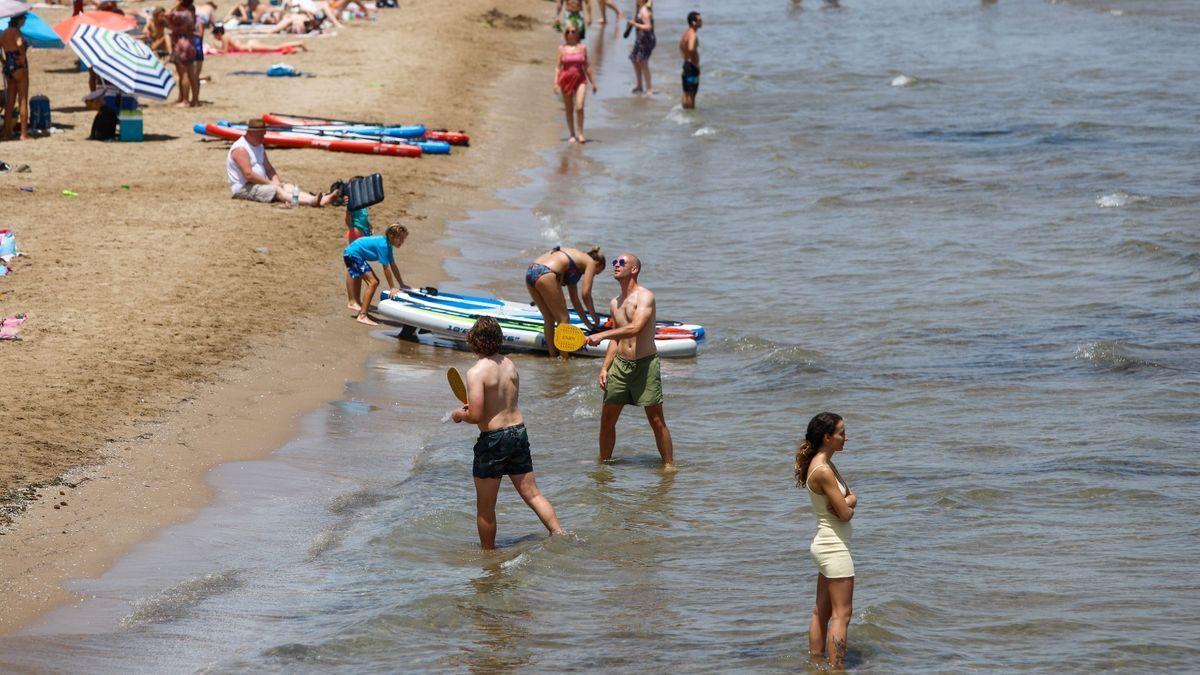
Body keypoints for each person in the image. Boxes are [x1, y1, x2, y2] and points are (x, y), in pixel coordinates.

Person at [451, 317, 565, 550]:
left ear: (474, 342)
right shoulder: (510, 364)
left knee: (486, 507)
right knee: (533, 494)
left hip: (494, 440)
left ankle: (489, 558)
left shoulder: (476, 372)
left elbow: (476, 415)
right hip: (518, 432)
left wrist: (460, 415)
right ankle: (560, 533)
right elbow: (503, 402)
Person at [585, 254, 674, 471]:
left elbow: (635, 328)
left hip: (645, 365)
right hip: (620, 366)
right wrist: (605, 367)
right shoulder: (615, 303)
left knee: (656, 420)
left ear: (634, 269)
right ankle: (604, 465)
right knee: (607, 420)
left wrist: (601, 335)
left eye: (621, 263)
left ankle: (669, 466)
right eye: (614, 262)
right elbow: (618, 338)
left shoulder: (646, 297)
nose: (615, 265)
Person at [794, 412, 856, 670]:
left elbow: (851, 497)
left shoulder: (825, 463)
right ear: (827, 437)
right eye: (841, 433)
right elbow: (844, 513)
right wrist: (849, 505)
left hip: (826, 545)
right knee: (842, 615)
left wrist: (849, 502)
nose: (846, 437)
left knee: (822, 611)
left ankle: (816, 663)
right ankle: (836, 668)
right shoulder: (823, 470)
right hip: (834, 548)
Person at [226, 118, 340, 206]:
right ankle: (311, 202)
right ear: (251, 133)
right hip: (243, 188)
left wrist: (276, 181)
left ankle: (320, 199)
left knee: (288, 187)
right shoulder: (240, 149)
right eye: (261, 134)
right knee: (276, 189)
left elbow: (269, 169)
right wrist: (272, 184)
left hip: (259, 184)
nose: (264, 136)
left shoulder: (258, 145)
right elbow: (248, 175)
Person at [525, 245, 605, 358]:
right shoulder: (591, 262)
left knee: (549, 318)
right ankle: (564, 358)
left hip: (532, 270)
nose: (594, 275)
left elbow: (575, 299)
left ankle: (552, 355)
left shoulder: (575, 264)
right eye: (597, 273)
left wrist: (588, 323)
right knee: (563, 319)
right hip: (546, 272)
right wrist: (594, 316)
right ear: (598, 264)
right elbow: (586, 294)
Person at [342, 224, 409, 325]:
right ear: (391, 236)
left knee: (372, 281)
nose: (402, 242)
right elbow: (386, 268)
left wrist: (401, 284)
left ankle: (360, 308)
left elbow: (393, 266)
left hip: (352, 253)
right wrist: (392, 287)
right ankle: (362, 315)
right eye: (400, 239)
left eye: (403, 239)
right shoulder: (383, 245)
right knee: (373, 282)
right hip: (352, 254)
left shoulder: (388, 245)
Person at [554, 22, 597, 144]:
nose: (571, 34)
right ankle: (572, 134)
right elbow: (557, 67)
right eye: (568, 32)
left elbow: (587, 66)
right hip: (566, 79)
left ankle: (581, 133)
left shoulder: (582, 48)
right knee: (569, 109)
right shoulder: (561, 49)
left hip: (580, 79)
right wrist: (556, 82)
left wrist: (593, 82)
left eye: (573, 31)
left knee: (579, 106)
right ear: (565, 34)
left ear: (577, 33)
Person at [0, 14, 30, 141]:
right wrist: (22, 55)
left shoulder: (5, 33)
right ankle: (24, 134)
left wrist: (3, 61)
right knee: (22, 99)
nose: (25, 21)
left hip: (8, 66)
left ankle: (7, 134)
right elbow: (19, 42)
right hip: (19, 65)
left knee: (9, 102)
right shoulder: (16, 32)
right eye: (24, 19)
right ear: (19, 20)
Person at [168, 0, 200, 107]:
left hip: (180, 44)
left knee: (184, 74)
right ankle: (194, 100)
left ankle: (185, 100)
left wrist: (176, 4)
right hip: (190, 43)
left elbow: (167, 15)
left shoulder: (179, 14)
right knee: (191, 73)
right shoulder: (190, 13)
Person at [210, 24, 307, 52]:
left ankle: (298, 43)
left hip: (251, 46)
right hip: (250, 44)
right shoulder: (227, 35)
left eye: (215, 35)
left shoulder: (224, 37)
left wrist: (215, 48)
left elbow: (225, 51)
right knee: (275, 47)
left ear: (218, 33)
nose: (215, 37)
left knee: (276, 47)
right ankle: (294, 48)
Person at [627, 0, 655, 95]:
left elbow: (648, 27)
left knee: (643, 63)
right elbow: (636, 20)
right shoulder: (639, 9)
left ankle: (649, 88)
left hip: (646, 40)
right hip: (640, 39)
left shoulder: (644, 11)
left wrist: (634, 24)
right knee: (634, 59)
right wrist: (631, 21)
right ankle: (639, 86)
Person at [678, 11, 701, 109]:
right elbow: (691, 48)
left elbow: (681, 46)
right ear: (694, 22)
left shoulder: (686, 33)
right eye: (699, 20)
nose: (701, 22)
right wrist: (694, 62)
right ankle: (691, 117)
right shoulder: (693, 35)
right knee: (692, 95)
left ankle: (685, 115)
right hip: (692, 67)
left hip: (686, 65)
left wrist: (686, 58)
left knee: (686, 93)